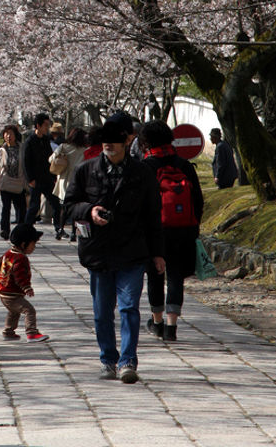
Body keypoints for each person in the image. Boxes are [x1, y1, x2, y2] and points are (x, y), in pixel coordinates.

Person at [64, 116, 165, 384]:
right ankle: (108, 358)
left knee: (130, 307)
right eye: (104, 140)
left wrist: (157, 253)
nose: (108, 145)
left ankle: (128, 360)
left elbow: (154, 214)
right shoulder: (86, 170)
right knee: (101, 312)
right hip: (98, 251)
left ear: (127, 141)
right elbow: (69, 206)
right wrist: (89, 210)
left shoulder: (142, 173)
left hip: (132, 251)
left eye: (114, 141)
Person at [141, 121, 204, 342]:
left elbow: (141, 204)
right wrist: (193, 227)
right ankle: (172, 327)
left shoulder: (146, 166)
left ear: (146, 142)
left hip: (156, 231)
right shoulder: (184, 165)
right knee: (176, 276)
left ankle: (157, 323)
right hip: (184, 231)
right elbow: (198, 200)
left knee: (155, 276)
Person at [0, 223, 48, 342]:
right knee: (29, 310)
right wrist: (27, 288)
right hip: (12, 294)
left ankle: (8, 332)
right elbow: (19, 275)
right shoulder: (21, 258)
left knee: (14, 311)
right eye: (33, 244)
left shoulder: (8, 253)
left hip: (4, 293)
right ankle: (32, 333)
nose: (34, 247)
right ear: (23, 244)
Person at [23, 113, 62, 240]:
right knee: (34, 206)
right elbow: (26, 162)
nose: (47, 128)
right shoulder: (29, 141)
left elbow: (49, 158)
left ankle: (58, 228)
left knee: (56, 204)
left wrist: (53, 175)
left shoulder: (46, 140)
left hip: (47, 178)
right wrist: (30, 179)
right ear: (38, 126)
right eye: (45, 125)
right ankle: (26, 230)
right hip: (35, 179)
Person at [49, 127, 87, 240]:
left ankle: (60, 229)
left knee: (64, 207)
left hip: (64, 180)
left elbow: (51, 159)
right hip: (78, 181)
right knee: (75, 206)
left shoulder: (63, 147)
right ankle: (74, 232)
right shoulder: (84, 150)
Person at [0, 125, 26, 240]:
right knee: (6, 208)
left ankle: (20, 230)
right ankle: (5, 230)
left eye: (10, 133)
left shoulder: (22, 149)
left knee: (21, 208)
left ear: (15, 135)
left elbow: (26, 166)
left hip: (19, 182)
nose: (8, 136)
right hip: (6, 183)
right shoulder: (1, 150)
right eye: (6, 133)